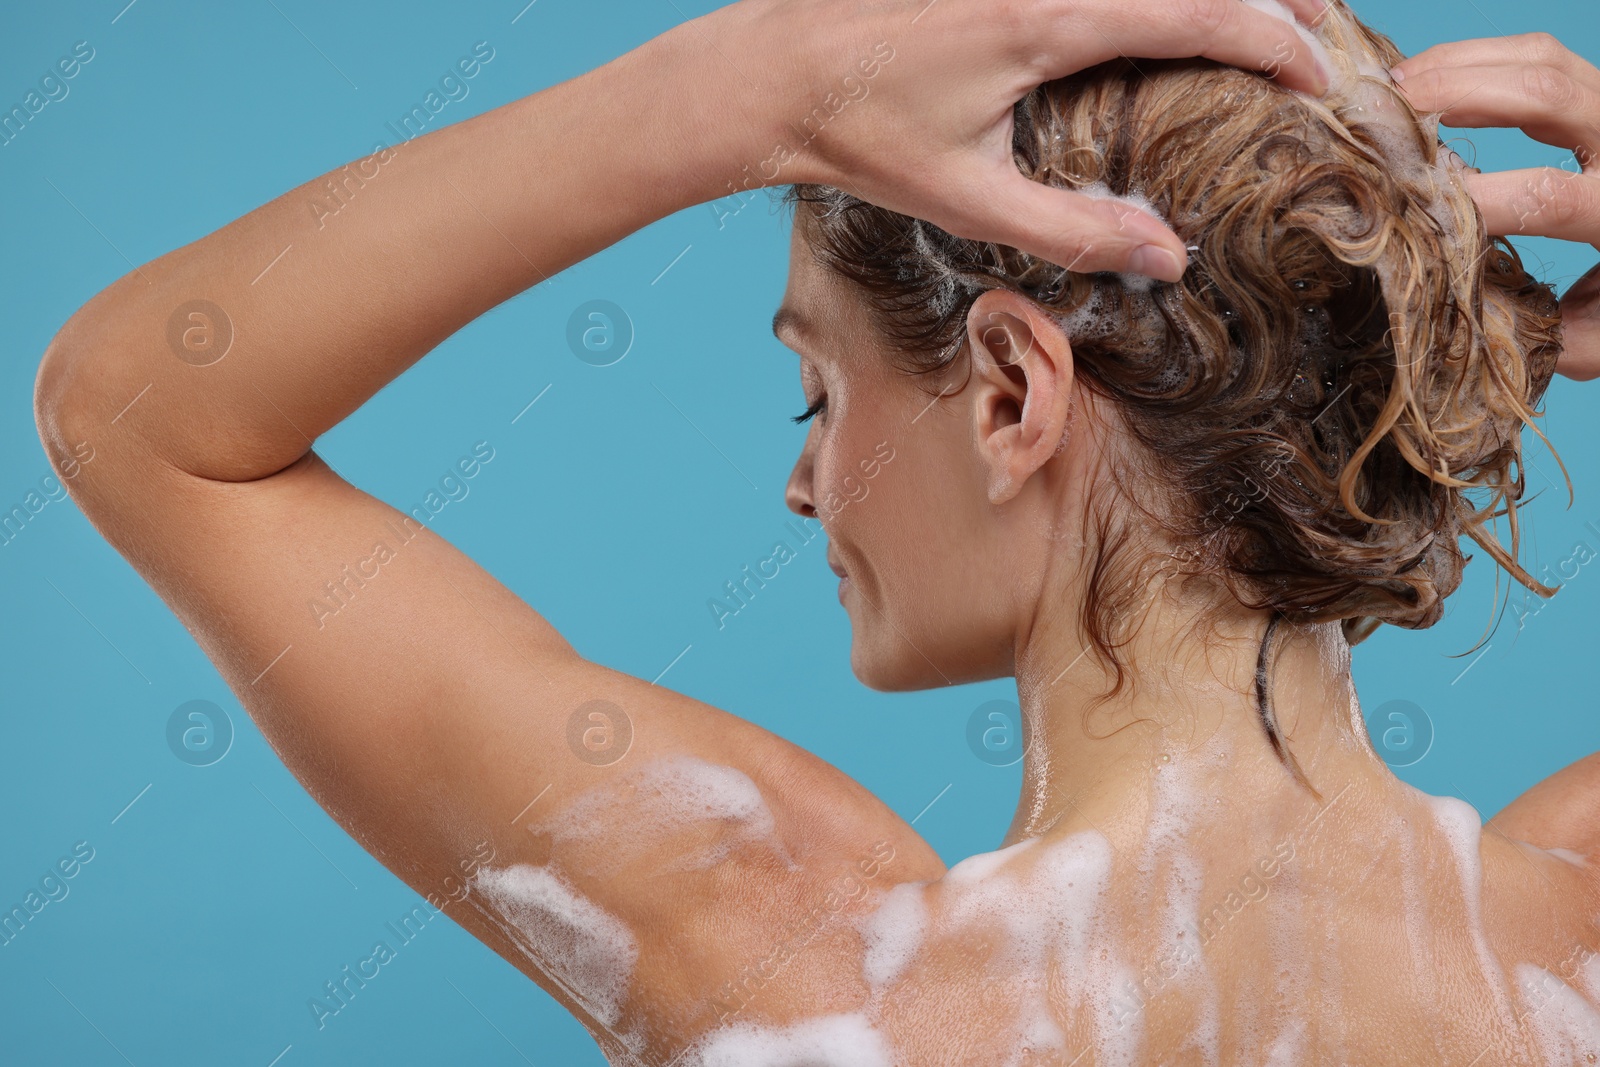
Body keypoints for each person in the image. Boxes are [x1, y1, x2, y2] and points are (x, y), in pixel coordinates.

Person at [29, 0, 1600, 1061]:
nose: (802, 483)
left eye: (813, 390)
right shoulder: (1574, 941)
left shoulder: (793, 959)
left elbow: (140, 416)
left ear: (1008, 391)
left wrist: (739, 89)